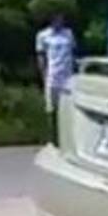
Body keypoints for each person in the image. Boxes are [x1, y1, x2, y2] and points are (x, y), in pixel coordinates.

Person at [35, 13, 77, 142]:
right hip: (52, 75)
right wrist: (43, 74)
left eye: (61, 19)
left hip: (67, 75)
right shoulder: (43, 35)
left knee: (68, 107)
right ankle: (53, 138)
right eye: (56, 19)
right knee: (52, 108)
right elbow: (41, 57)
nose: (59, 21)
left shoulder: (68, 34)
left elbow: (73, 52)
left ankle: (67, 137)